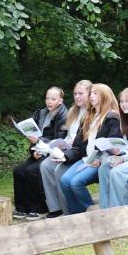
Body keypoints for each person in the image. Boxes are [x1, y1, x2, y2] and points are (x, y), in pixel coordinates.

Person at [59, 83, 124, 215]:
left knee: (76, 183)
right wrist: (64, 156)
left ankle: (93, 214)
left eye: (95, 93)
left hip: (99, 162)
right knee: (65, 181)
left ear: (105, 97)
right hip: (86, 159)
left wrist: (99, 159)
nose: (91, 96)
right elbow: (79, 145)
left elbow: (113, 144)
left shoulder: (112, 117)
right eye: (91, 93)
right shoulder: (89, 116)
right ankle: (76, 215)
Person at [13, 86, 67, 218]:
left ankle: (39, 208)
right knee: (19, 170)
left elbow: (58, 141)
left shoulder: (64, 116)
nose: (49, 101)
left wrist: (39, 142)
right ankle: (22, 207)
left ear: (60, 100)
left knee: (32, 171)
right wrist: (34, 151)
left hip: (53, 153)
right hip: (39, 151)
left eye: (53, 99)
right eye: (47, 98)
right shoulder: (41, 113)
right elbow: (33, 135)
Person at [39, 80, 91, 215]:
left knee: (58, 170)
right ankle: (55, 208)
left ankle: (67, 210)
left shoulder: (91, 113)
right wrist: (57, 144)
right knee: (45, 165)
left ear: (90, 94)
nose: (77, 97)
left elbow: (84, 143)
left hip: (80, 153)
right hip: (68, 149)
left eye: (81, 93)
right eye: (75, 94)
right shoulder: (74, 111)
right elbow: (68, 135)